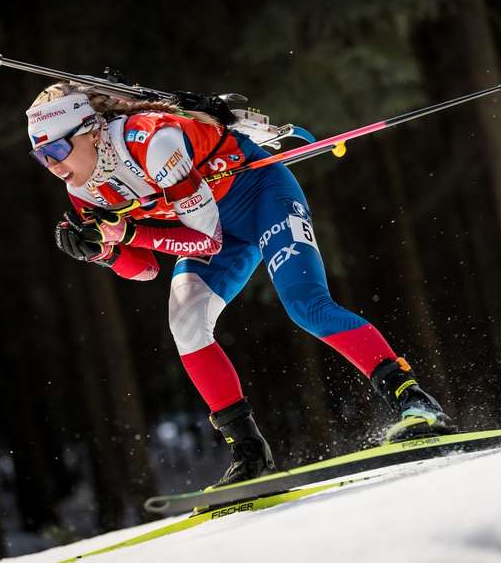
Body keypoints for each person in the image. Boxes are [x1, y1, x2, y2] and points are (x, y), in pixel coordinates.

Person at [25, 84, 454, 486]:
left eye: (58, 148)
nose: (55, 165)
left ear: (93, 131)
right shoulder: (83, 189)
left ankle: (414, 402)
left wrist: (126, 235)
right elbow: (146, 270)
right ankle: (249, 453)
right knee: (186, 323)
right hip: (208, 228)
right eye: (41, 157)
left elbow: (205, 239)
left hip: (261, 197)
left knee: (304, 303)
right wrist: (102, 251)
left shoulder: (152, 140)